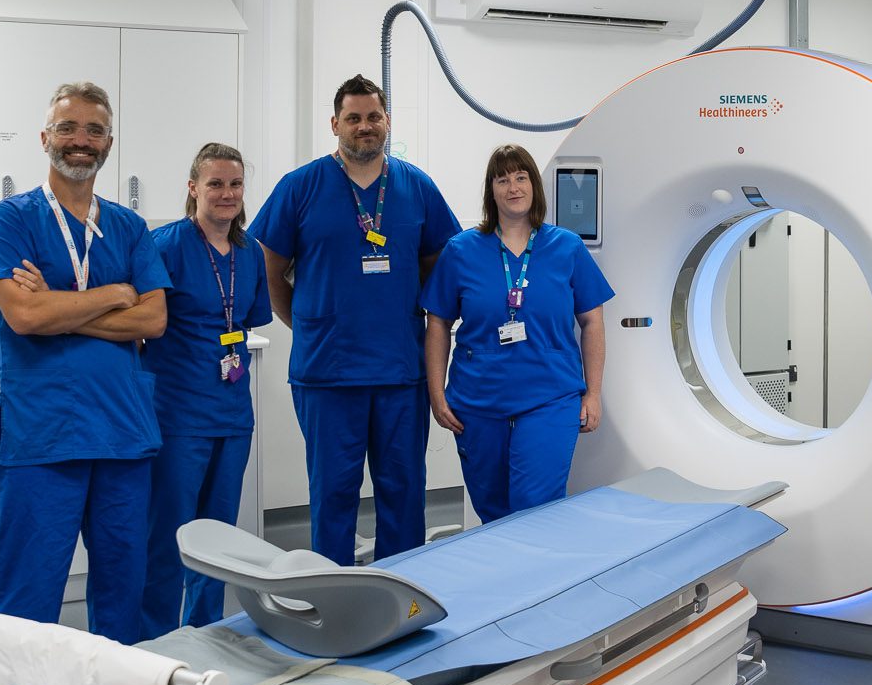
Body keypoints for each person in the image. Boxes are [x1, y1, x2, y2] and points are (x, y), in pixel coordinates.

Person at [0, 81, 169, 645]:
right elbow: (25, 316)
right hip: (44, 437)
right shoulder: (9, 221)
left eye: (94, 130)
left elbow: (153, 320)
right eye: (68, 128)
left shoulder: (128, 227)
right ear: (45, 138)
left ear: (109, 143)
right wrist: (114, 294)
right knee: (27, 598)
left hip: (122, 434)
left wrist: (59, 308)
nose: (81, 140)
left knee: (123, 593)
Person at [250, 75, 461, 565]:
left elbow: (440, 267)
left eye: (373, 117)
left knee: (404, 493)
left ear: (387, 122)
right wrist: (308, 322)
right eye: (353, 118)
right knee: (332, 495)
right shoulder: (300, 187)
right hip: (328, 374)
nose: (364, 126)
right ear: (335, 124)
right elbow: (269, 269)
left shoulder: (417, 187)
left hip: (399, 372)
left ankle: (404, 596)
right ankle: (334, 596)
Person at [421, 145, 612, 523]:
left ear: (534, 186)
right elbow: (438, 322)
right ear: (491, 191)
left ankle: (541, 564)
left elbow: (592, 321)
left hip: (550, 397)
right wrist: (436, 393)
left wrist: (593, 393)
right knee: (491, 511)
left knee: (535, 509)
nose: (513, 187)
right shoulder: (462, 250)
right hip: (478, 401)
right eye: (503, 179)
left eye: (521, 177)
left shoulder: (566, 247)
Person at [138, 143, 273, 638]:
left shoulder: (250, 252)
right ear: (193, 187)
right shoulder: (165, 246)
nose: (227, 193)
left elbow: (247, 318)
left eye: (235, 184)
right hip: (178, 414)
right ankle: (155, 638)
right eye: (215, 183)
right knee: (169, 532)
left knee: (218, 535)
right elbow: (141, 324)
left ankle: (204, 631)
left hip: (232, 414)